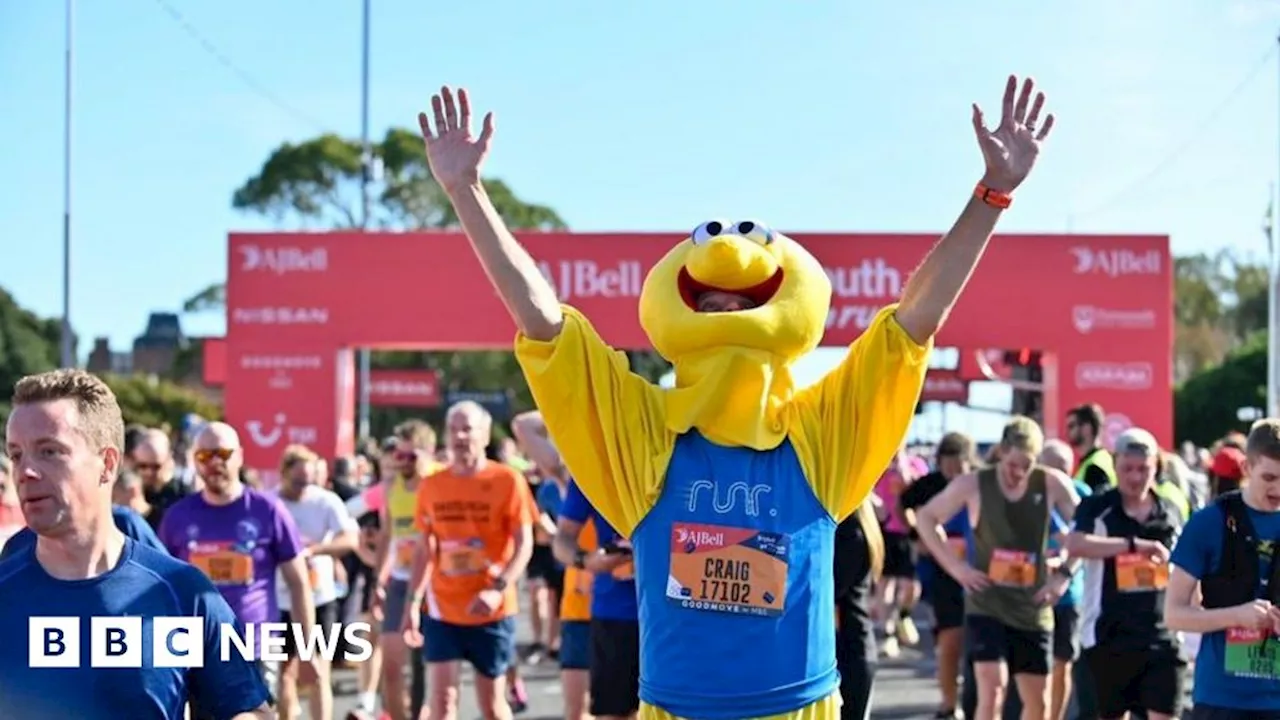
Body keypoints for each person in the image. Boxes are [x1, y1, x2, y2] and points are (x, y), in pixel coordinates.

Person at [418, 73, 1055, 719]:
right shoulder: (644, 437)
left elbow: (913, 323)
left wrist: (992, 194)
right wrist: (466, 192)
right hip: (676, 707)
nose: (726, 319)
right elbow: (546, 327)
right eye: (712, 305)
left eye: (742, 306)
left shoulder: (819, 437)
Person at [0, 369, 271, 719]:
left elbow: (248, 708)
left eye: (49, 451)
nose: (26, 472)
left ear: (107, 464)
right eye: (17, 454)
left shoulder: (181, 592)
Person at [915, 417, 1081, 720]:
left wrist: (1063, 575)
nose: (1018, 473)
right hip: (986, 602)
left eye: (1027, 465)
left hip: (1032, 607)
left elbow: (1084, 528)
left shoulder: (1052, 483)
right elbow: (926, 518)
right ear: (1002, 451)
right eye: (1013, 464)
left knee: (1038, 702)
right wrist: (957, 569)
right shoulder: (974, 483)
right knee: (992, 689)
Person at [158, 421, 316, 717]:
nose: (215, 462)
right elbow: (160, 588)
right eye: (205, 456)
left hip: (256, 647)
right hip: (197, 651)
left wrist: (307, 649)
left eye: (223, 453)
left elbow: (298, 583)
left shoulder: (267, 510)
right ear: (195, 461)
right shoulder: (177, 517)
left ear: (240, 456)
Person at [404, 401, 535, 720]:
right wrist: (413, 601)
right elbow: (425, 547)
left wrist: (498, 588)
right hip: (443, 608)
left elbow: (524, 544)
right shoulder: (432, 485)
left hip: (491, 608)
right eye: (453, 430)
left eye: (467, 429)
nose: (460, 436)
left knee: (491, 705)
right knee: (442, 701)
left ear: (485, 435)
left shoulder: (507, 480)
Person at [1066, 428, 1184, 720]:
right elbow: (1075, 543)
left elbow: (1186, 562)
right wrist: (1131, 546)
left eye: (1143, 469)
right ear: (1115, 465)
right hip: (1109, 635)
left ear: (1156, 465)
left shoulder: (1169, 510)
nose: (1135, 477)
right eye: (1127, 469)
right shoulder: (1097, 507)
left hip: (1161, 635)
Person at [1166, 418, 1280, 717]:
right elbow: (1173, 614)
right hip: (1221, 699)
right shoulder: (1208, 522)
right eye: (1269, 478)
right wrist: (1237, 616)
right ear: (1247, 469)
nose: (1278, 489)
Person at [273, 444, 360, 720]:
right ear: (283, 473)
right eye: (297, 481)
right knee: (285, 671)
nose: (303, 487)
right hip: (279, 598)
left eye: (309, 481)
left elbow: (349, 539)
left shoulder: (326, 501)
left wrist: (314, 550)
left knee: (318, 670)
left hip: (318, 596)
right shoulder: (270, 503)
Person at [900, 432, 976, 719]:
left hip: (978, 570)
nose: (954, 473)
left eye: (960, 466)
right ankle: (948, 703)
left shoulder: (978, 484)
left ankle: (976, 703)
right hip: (942, 570)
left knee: (979, 643)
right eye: (948, 465)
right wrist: (917, 535)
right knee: (951, 637)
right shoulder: (929, 485)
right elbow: (905, 503)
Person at [557, 478, 642, 720]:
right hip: (616, 612)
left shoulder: (683, 454)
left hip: (676, 614)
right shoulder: (593, 467)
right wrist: (586, 561)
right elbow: (562, 540)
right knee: (613, 713)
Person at [374, 421, 439, 720]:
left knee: (427, 667)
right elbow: (388, 537)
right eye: (398, 456)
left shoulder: (440, 484)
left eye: (410, 457)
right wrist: (379, 580)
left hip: (435, 584)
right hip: (400, 580)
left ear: (429, 454)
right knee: (391, 664)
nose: (402, 463)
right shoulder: (391, 488)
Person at [834, 500, 885, 720]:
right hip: (854, 646)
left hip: (851, 648)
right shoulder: (860, 527)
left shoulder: (850, 531)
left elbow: (833, 589)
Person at [1067, 404, 1116, 493]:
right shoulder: (1096, 459)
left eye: (1071, 426)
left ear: (1087, 428)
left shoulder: (1095, 466)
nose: (1067, 431)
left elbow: (1099, 502)